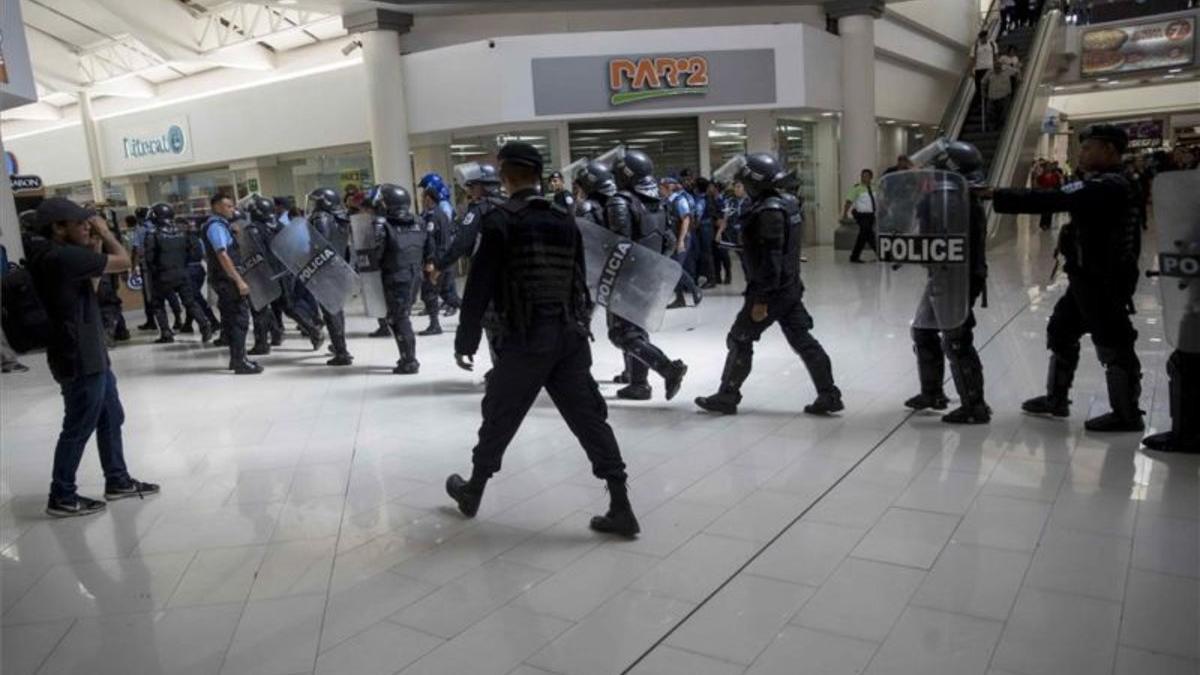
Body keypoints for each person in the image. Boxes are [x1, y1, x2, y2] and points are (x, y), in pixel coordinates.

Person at [444, 141, 639, 538]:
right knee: (590, 419)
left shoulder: (499, 220)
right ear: (536, 174)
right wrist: (579, 326)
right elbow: (579, 281)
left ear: (505, 174)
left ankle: (474, 490)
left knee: (499, 415)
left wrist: (464, 341)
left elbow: (479, 287)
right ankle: (621, 504)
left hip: (523, 339)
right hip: (568, 337)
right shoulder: (564, 217)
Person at [986, 124, 1144, 431]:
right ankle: (1055, 399)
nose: (1081, 153)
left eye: (1087, 148)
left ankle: (1127, 414)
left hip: (1105, 280)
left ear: (1109, 150)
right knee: (1061, 329)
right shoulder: (1098, 182)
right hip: (1085, 278)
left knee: (1114, 342)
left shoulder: (1112, 185)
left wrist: (997, 194)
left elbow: (1053, 199)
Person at [29, 198, 159, 517]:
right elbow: (125, 261)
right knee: (78, 426)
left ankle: (117, 479)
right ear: (59, 228)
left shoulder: (60, 255)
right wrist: (106, 232)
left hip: (88, 349)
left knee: (111, 415)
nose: (88, 226)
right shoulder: (61, 256)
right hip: (79, 355)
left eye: (89, 222)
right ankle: (61, 495)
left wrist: (95, 243)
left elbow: (94, 282)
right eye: (80, 223)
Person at [696, 153, 843, 416]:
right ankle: (829, 394)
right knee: (803, 340)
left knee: (740, 338)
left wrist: (762, 299)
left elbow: (772, 258)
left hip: (771, 290)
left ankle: (727, 396)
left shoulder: (768, 210)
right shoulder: (787, 203)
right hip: (789, 287)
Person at [904, 141, 992, 424]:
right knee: (922, 331)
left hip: (955, 276)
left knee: (956, 340)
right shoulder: (952, 192)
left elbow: (945, 240)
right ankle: (932, 393)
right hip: (945, 274)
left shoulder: (950, 196)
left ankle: (974, 405)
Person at [602, 152, 689, 401]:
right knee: (637, 330)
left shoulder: (620, 201)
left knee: (622, 334)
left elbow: (620, 244)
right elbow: (669, 240)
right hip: (650, 274)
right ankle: (639, 384)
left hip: (627, 277)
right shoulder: (658, 200)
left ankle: (667, 368)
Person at [367, 184, 435, 374]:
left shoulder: (383, 224)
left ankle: (409, 361)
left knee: (399, 318)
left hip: (395, 276)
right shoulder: (419, 221)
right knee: (400, 316)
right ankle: (407, 357)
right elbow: (430, 246)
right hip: (414, 275)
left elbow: (375, 254)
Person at [203, 194, 263, 375]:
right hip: (227, 280)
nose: (232, 210)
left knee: (231, 319)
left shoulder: (222, 226)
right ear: (216, 207)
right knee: (239, 319)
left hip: (223, 278)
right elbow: (222, 255)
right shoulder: (216, 227)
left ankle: (237, 358)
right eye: (228, 206)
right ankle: (239, 361)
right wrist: (238, 280)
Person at [143, 203, 214, 345]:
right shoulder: (183, 232)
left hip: (161, 275)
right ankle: (205, 326)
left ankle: (166, 332)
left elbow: (149, 259)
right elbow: (191, 252)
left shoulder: (152, 235)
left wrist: (154, 271)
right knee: (190, 302)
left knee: (158, 304)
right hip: (182, 272)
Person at [306, 188, 355, 366]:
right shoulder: (341, 217)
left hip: (324, 270)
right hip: (338, 267)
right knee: (337, 310)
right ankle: (339, 346)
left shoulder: (321, 218)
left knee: (330, 311)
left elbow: (320, 245)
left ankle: (341, 352)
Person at [661, 176, 703, 308]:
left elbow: (686, 220)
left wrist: (681, 241)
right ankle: (680, 298)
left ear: (669, 187)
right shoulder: (667, 201)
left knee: (676, 268)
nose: (659, 190)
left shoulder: (680, 200)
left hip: (682, 238)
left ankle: (695, 289)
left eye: (661, 187)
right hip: (672, 239)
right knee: (674, 269)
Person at [418, 184, 454, 336]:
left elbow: (431, 240)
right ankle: (473, 313)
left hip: (436, 260)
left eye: (422, 197)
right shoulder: (442, 214)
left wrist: (430, 261)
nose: (421, 200)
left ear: (428, 198)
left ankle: (435, 325)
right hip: (445, 257)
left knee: (429, 292)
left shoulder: (432, 216)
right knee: (447, 293)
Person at [843, 168, 878, 263]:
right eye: (862, 176)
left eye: (866, 176)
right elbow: (848, 201)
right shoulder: (856, 188)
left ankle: (854, 257)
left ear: (871, 177)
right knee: (868, 232)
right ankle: (880, 254)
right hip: (861, 215)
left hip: (871, 215)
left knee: (864, 234)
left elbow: (878, 200)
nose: (864, 178)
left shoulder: (875, 187)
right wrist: (845, 213)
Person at [982, 61, 1017, 131]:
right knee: (990, 113)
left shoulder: (1007, 70)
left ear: (1001, 67)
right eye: (995, 67)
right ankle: (992, 128)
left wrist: (1019, 78)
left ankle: (1002, 128)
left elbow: (1017, 72)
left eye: (998, 67)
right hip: (992, 97)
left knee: (1004, 113)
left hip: (1004, 96)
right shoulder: (990, 72)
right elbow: (983, 82)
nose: (997, 69)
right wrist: (983, 92)